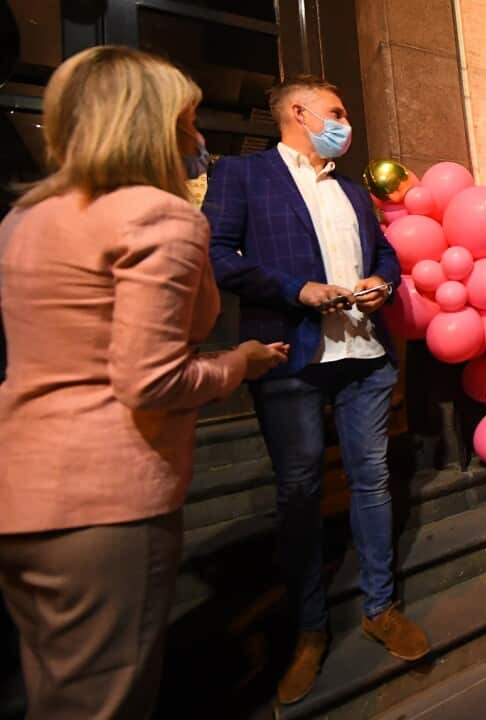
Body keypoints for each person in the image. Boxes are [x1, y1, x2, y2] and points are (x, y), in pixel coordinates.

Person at [0, 46, 287, 718]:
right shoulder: (159, 216)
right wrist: (238, 362)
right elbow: (150, 380)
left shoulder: (24, 219)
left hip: (20, 491)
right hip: (102, 499)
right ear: (150, 126)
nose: (199, 138)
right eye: (188, 122)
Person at [203, 75, 426, 706]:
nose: (345, 123)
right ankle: (309, 630)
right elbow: (216, 255)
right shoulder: (242, 175)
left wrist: (384, 283)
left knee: (372, 480)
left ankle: (380, 607)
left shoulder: (352, 190)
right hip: (290, 357)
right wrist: (294, 289)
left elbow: (386, 255)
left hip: (365, 355)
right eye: (336, 112)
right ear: (298, 112)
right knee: (299, 491)